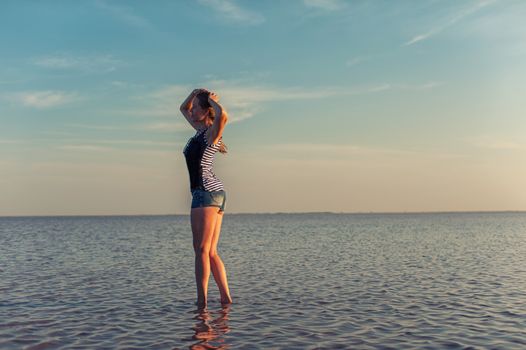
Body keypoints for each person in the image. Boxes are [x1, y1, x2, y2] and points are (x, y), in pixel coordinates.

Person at [180, 88, 233, 308]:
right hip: (211, 194)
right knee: (209, 251)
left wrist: (212, 101)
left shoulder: (211, 132)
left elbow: (225, 116)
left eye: (197, 109)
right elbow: (183, 108)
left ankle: (201, 302)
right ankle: (225, 299)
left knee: (201, 250)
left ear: (206, 111)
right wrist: (194, 93)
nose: (191, 112)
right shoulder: (199, 130)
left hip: (205, 193)